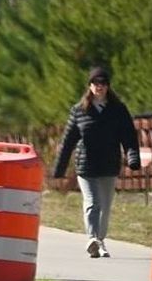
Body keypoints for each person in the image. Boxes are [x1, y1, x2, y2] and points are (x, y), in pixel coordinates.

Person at [53, 65, 141, 258]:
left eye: (102, 83)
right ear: (90, 86)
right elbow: (68, 141)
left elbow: (128, 136)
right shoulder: (79, 111)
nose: (99, 86)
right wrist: (59, 168)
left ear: (108, 86)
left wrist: (133, 156)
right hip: (87, 165)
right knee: (93, 203)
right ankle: (92, 238)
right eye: (95, 83)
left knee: (106, 206)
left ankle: (100, 241)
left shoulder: (118, 110)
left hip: (109, 164)